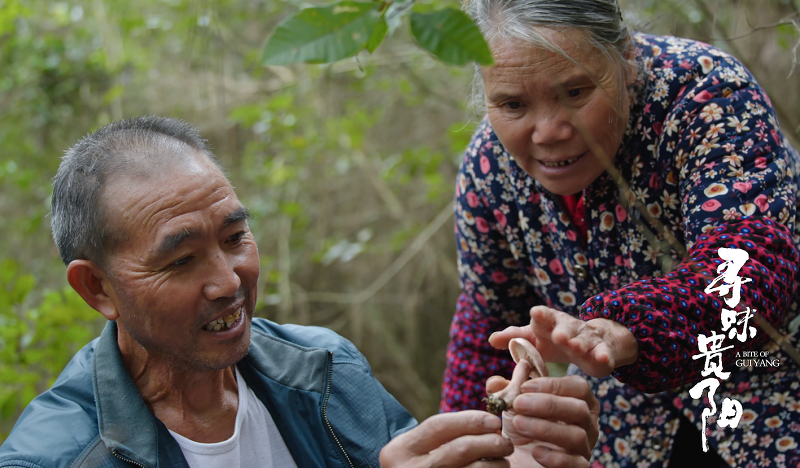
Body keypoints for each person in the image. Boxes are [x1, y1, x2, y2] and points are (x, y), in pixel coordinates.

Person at [0, 116, 599, 468]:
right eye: (181, 260)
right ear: (97, 288)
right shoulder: (56, 458)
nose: (228, 281)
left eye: (236, 236)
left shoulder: (324, 368)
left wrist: (516, 451)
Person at [440, 0, 800, 466]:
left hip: (768, 369)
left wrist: (625, 328)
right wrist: (467, 444)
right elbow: (485, 324)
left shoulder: (704, 94)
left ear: (625, 58)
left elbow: (747, 264)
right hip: (627, 419)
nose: (548, 131)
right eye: (513, 104)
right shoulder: (489, 170)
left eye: (575, 92)